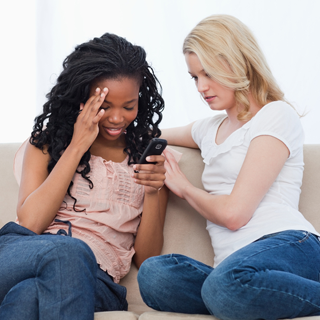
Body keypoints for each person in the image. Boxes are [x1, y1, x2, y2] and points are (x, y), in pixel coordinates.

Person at [137, 14, 320, 320]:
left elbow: (235, 214)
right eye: (194, 77)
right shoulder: (207, 129)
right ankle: (235, 294)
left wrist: (182, 186)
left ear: (237, 62)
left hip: (289, 244)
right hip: (236, 267)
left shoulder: (276, 115)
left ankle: (231, 292)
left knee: (225, 285)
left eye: (208, 73)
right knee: (154, 275)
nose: (201, 86)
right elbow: (150, 134)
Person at [0, 33, 168, 320]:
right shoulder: (46, 144)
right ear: (82, 98)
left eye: (128, 106)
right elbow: (31, 223)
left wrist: (152, 191)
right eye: (104, 106)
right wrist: (78, 145)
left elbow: (148, 258)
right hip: (22, 252)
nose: (117, 118)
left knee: (27, 296)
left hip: (96, 281)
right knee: (69, 251)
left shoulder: (146, 158)